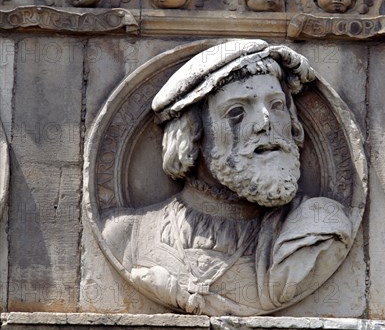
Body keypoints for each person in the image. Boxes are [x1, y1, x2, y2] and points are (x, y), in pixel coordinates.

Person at [103, 40, 352, 315]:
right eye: (237, 112)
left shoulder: (317, 231)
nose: (266, 123)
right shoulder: (127, 237)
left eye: (277, 105)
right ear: (192, 134)